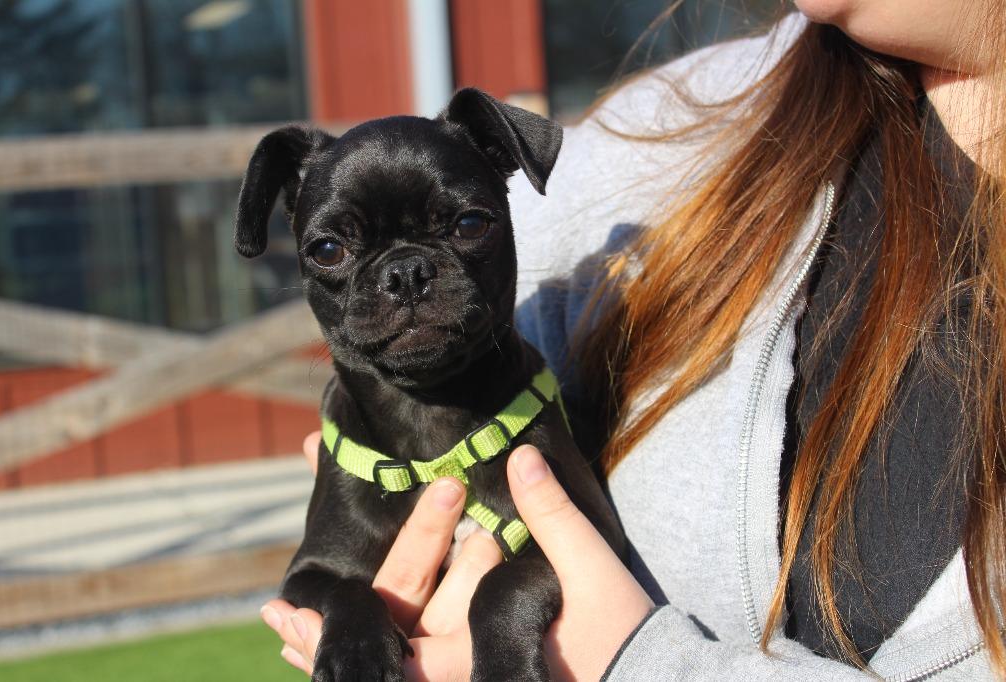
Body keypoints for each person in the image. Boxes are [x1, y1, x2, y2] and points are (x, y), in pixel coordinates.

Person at [259, 1, 1005, 679]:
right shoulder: (673, 120)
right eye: (333, 252)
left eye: (464, 227)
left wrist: (630, 656)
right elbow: (317, 576)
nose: (405, 281)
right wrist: (352, 621)